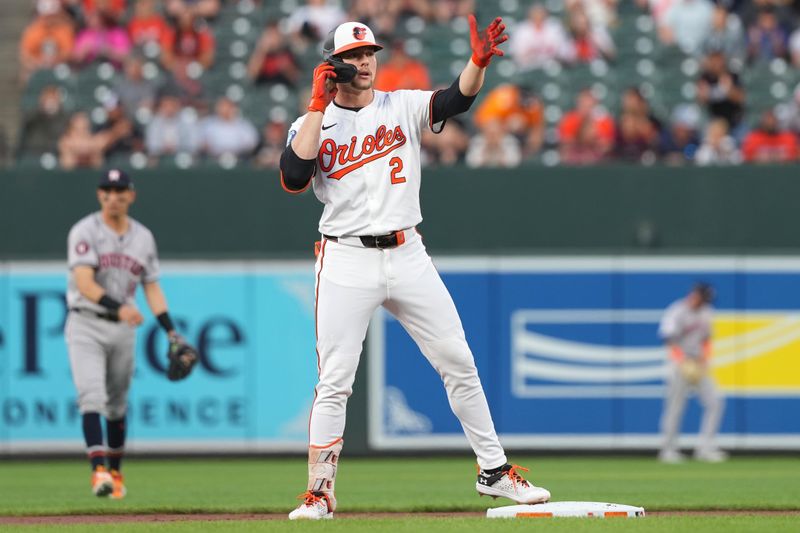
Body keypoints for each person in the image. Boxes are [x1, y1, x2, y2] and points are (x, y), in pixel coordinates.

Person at [279, 18, 550, 520]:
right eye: (353, 55)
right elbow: (294, 177)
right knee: (334, 379)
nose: (364, 62)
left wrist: (478, 64)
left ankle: (493, 471)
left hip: (407, 253)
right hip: (345, 257)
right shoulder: (310, 123)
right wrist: (316, 105)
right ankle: (319, 492)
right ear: (332, 64)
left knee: (458, 361)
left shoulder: (398, 104)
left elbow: (454, 101)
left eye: (369, 53)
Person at [65, 169, 196, 498]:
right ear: (99, 195)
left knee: (118, 404)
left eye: (120, 190)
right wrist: (118, 306)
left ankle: (115, 474)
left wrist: (170, 331)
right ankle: (98, 472)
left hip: (123, 329)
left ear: (131, 195)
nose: (114, 196)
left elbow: (151, 287)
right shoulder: (85, 230)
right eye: (107, 190)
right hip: (86, 322)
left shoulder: (143, 237)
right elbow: (84, 282)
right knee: (91, 395)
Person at [657, 283, 727, 463]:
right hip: (678, 363)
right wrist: (682, 361)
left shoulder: (707, 312)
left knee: (715, 402)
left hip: (698, 362)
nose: (704, 302)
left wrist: (704, 359)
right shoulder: (677, 310)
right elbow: (668, 339)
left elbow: (707, 340)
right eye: (702, 298)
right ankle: (668, 449)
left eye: (706, 300)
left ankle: (705, 448)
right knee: (675, 406)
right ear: (694, 294)